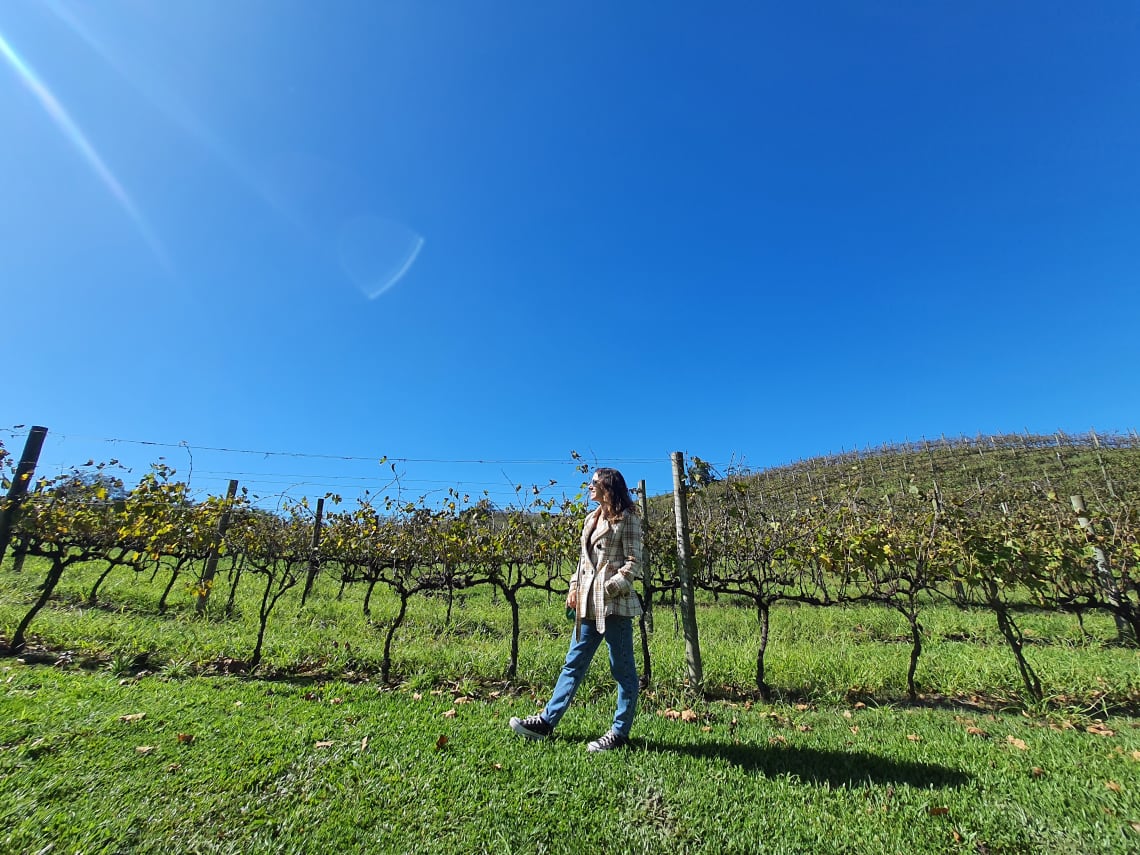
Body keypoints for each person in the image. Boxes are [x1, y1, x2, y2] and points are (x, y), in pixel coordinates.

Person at [509, 467, 643, 751]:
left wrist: (609, 587)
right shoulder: (590, 519)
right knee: (573, 664)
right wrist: (573, 588)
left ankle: (619, 733)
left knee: (623, 671)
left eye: (594, 482)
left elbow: (633, 562)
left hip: (614, 607)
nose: (589, 486)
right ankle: (546, 722)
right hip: (586, 606)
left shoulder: (628, 519)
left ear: (608, 486)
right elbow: (583, 564)